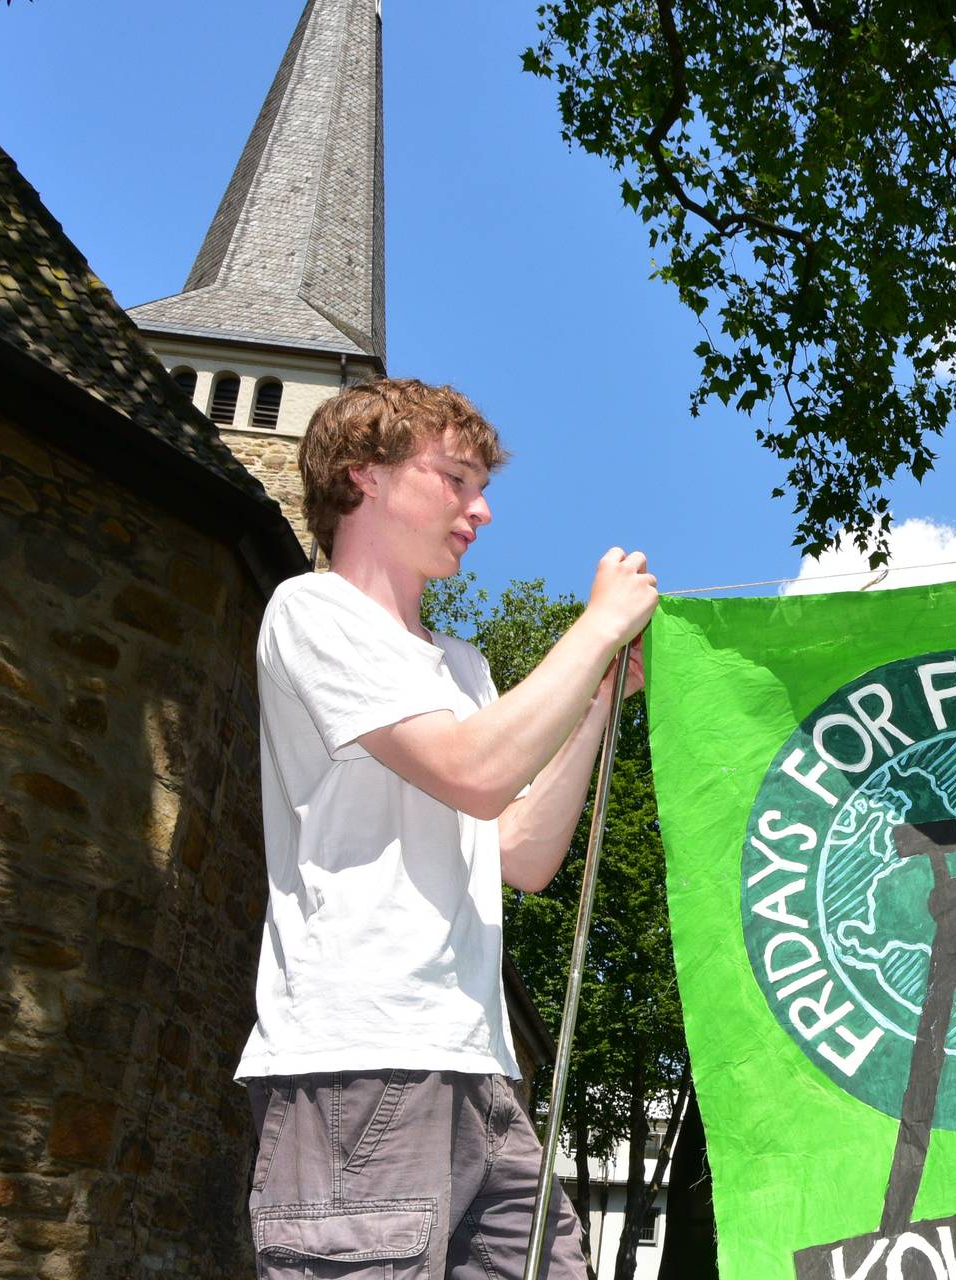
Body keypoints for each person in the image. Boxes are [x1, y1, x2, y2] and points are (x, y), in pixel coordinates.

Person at [238, 378, 656, 1279]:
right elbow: (472, 771)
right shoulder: (313, 611)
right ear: (366, 474)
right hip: (359, 1064)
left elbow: (522, 852)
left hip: (479, 1071)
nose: (482, 510)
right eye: (457, 479)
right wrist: (594, 629)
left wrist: (595, 702)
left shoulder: (463, 667)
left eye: (482, 486)